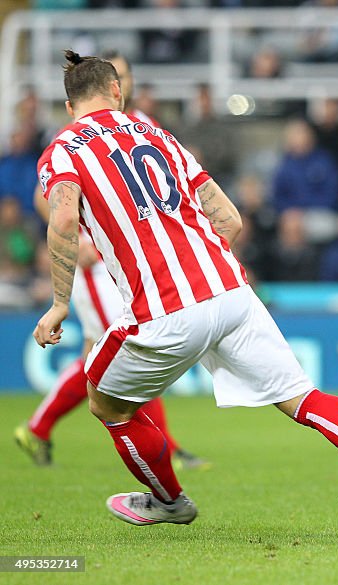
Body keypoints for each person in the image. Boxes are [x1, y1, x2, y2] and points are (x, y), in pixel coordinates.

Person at [32, 50, 338, 542]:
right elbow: (231, 221)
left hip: (163, 309)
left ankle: (169, 501)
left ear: (70, 102)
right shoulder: (160, 138)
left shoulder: (63, 149)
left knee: (106, 404)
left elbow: (61, 221)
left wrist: (59, 302)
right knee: (304, 399)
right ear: (117, 91)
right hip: (231, 292)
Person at [16, 51, 206, 470]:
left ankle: (37, 428)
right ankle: (167, 449)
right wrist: (79, 238)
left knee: (106, 353)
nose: (123, 82)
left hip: (134, 265)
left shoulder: (145, 128)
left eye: (126, 72)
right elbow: (44, 199)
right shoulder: (74, 136)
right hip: (97, 266)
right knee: (130, 345)